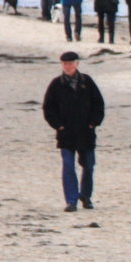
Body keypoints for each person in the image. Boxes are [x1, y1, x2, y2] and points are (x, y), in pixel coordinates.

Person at [41, 50, 106, 212]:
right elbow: (48, 108)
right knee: (68, 166)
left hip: (86, 132)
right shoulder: (56, 84)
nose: (68, 66)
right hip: (66, 133)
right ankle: (71, 200)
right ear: (61, 65)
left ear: (77, 64)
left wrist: (93, 123)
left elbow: (98, 104)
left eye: (71, 63)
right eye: (65, 64)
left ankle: (85, 196)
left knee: (89, 165)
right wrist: (59, 125)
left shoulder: (87, 81)